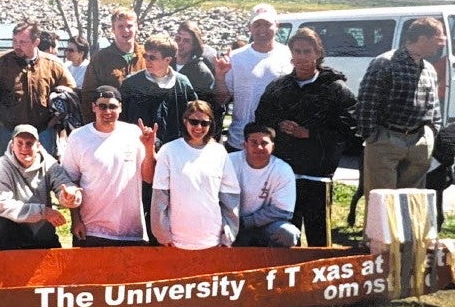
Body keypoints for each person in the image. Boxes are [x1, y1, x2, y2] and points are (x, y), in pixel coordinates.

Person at [255, 28, 358, 246]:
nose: (302, 56)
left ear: (318, 54)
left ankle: (319, 278)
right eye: (297, 51)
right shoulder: (278, 87)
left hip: (317, 173)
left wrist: (310, 133)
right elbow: (261, 120)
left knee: (318, 237)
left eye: (307, 51)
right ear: (291, 54)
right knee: (286, 233)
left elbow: (349, 130)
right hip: (285, 172)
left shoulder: (335, 89)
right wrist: (277, 126)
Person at [356, 17, 444, 200]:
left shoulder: (428, 68)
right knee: (382, 200)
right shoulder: (385, 63)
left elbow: (433, 105)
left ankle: (407, 231)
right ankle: (378, 231)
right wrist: (372, 136)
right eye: (438, 40)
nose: (440, 46)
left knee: (412, 201)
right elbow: (367, 102)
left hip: (418, 141)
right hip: (386, 139)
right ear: (422, 38)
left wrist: (431, 132)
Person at [60, 86, 156, 247]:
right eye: (102, 106)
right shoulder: (78, 137)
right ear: (93, 107)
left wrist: (149, 148)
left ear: (120, 107)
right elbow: (71, 183)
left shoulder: (134, 133)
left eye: (112, 106)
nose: (107, 111)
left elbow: (148, 177)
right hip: (90, 230)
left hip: (131, 232)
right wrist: (76, 221)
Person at [150, 100, 239, 249]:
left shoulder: (219, 152)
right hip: (176, 240)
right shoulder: (168, 150)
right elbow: (160, 197)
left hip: (212, 239)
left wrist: (228, 234)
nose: (198, 127)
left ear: (211, 124)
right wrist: (162, 234)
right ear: (185, 122)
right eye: (194, 122)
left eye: (204, 123)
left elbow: (230, 198)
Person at [0, 18, 75, 157]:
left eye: (22, 42)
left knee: (44, 172)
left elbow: (71, 95)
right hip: (9, 131)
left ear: (36, 42)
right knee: (6, 172)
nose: (17, 46)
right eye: (14, 41)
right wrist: (0, 118)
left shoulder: (53, 64)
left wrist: (56, 119)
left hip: (43, 131)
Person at [0, 124, 83, 250]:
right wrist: (43, 212)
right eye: (20, 143)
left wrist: (69, 197)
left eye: (29, 143)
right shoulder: (2, 166)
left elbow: (64, 185)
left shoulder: (50, 164)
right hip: (12, 232)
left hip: (41, 232)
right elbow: (2, 205)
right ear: (12, 145)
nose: (24, 148)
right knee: (1, 226)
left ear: (38, 146)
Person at [214, 4, 293, 151]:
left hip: (275, 141)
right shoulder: (236, 57)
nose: (262, 30)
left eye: (267, 24)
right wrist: (220, 76)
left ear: (277, 26)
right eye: (257, 25)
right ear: (250, 28)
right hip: (239, 139)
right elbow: (222, 99)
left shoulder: (289, 55)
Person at [229, 123, 301, 247]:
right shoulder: (229, 162)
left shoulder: (283, 169)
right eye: (254, 142)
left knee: (288, 234)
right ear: (245, 145)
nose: (259, 147)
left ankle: (273, 265)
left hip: (267, 225)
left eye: (264, 143)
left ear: (273, 146)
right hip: (231, 223)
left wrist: (246, 222)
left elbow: (283, 211)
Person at [120, 33, 197, 147]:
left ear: (168, 59)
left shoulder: (182, 84)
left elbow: (192, 116)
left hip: (173, 148)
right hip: (138, 147)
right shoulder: (131, 83)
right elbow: (121, 120)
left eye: (153, 57)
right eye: (146, 56)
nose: (147, 60)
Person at [80, 7, 146, 122]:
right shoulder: (100, 58)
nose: (125, 30)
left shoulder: (147, 56)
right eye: (120, 26)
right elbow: (88, 96)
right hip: (110, 123)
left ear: (137, 28)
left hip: (141, 123)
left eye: (129, 26)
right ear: (113, 29)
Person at [173, 21, 218, 136]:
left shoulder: (202, 73)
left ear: (194, 45)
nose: (180, 43)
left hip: (189, 131)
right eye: (178, 38)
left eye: (186, 41)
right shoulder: (165, 63)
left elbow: (208, 108)